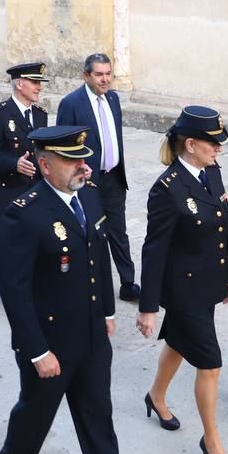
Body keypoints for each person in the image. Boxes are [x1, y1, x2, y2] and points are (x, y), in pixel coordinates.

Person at [0, 125, 149, 454]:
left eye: (84, 157)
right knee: (36, 413)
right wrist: (37, 351)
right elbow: (15, 290)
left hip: (93, 337)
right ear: (45, 165)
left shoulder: (91, 197)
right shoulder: (24, 213)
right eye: (72, 160)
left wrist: (109, 312)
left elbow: (100, 259)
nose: (83, 165)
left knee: (99, 417)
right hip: (51, 343)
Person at [135, 106, 228, 454]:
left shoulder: (211, 172)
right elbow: (154, 249)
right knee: (210, 364)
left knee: (178, 342)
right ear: (190, 144)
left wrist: (226, 275)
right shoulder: (167, 189)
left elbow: (220, 228)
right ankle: (211, 441)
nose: (219, 150)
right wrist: (148, 307)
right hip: (183, 289)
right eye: (213, 144)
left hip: (207, 281)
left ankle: (156, 397)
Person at [56, 53, 139, 302]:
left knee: (118, 231)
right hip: (86, 182)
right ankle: (92, 284)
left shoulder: (113, 99)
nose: (105, 80)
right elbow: (61, 147)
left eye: (108, 74)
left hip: (113, 178)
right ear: (86, 75)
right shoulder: (71, 103)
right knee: (91, 234)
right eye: (99, 74)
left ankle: (127, 283)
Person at [0, 61, 48, 314]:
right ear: (20, 84)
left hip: (34, 193)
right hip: (6, 193)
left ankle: (28, 290)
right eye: (35, 82)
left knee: (36, 243)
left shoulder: (40, 115)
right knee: (2, 246)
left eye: (40, 83)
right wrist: (14, 164)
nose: (39, 87)